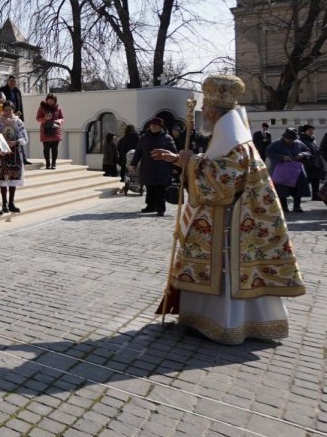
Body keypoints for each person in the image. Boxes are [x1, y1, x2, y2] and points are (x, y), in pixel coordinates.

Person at [152, 74, 305, 345]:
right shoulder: (230, 137)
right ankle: (205, 318)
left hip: (231, 224)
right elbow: (218, 170)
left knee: (227, 271)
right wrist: (182, 160)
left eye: (206, 113)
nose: (204, 117)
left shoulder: (233, 141)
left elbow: (224, 183)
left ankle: (226, 323)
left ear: (212, 112)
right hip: (229, 219)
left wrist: (189, 162)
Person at [132, 118, 176, 216]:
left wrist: (175, 167)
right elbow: (138, 152)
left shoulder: (167, 138)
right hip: (148, 167)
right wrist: (133, 163)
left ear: (161, 127)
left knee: (160, 189)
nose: (153, 127)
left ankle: (160, 209)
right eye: (152, 125)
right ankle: (150, 206)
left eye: (156, 125)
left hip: (163, 168)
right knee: (150, 188)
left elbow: (174, 153)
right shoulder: (144, 138)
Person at [266, 128, 310, 213]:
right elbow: (268, 152)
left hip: (296, 169)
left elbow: (308, 151)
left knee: (298, 188)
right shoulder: (276, 144)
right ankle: (284, 207)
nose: (291, 141)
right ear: (284, 137)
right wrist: (281, 157)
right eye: (289, 139)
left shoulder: (299, 143)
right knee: (281, 189)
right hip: (281, 169)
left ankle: (297, 206)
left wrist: (303, 154)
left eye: (293, 139)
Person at [35, 93, 64, 170]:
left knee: (55, 148)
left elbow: (62, 117)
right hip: (45, 128)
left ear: (55, 101)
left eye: (52, 101)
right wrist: (45, 118)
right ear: (47, 100)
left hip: (55, 128)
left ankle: (53, 163)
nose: (51, 102)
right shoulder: (42, 108)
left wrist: (59, 121)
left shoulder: (58, 108)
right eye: (49, 101)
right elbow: (38, 118)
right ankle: (47, 163)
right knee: (46, 148)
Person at [298, 124, 325, 202]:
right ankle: (298, 196)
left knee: (315, 180)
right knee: (305, 181)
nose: (312, 132)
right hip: (307, 164)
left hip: (315, 163)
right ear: (305, 131)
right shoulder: (302, 140)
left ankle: (315, 195)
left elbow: (315, 150)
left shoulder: (312, 139)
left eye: (313, 130)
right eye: (309, 130)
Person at [117, 125, 139, 195]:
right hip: (136, 159)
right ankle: (138, 184)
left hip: (125, 160)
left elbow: (119, 148)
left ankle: (127, 185)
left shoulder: (123, 139)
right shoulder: (138, 138)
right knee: (138, 172)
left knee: (127, 174)